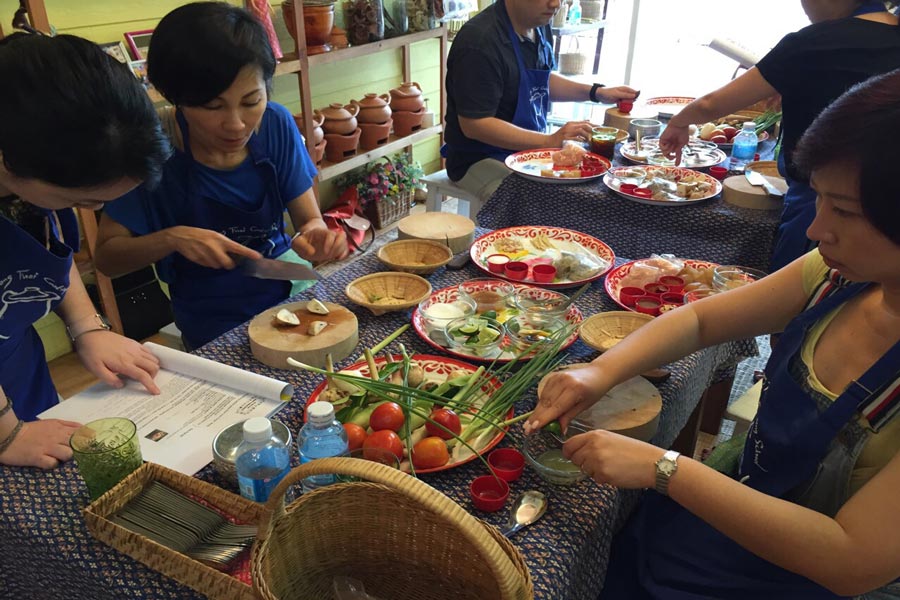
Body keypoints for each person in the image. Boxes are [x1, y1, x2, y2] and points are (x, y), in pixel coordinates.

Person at [528, 69, 900, 599]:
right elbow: (703, 319)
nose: (816, 230)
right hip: (747, 507)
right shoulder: (836, 275)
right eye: (818, 199)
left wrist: (665, 468)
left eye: (844, 211)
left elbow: (850, 559)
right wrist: (600, 370)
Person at [95, 2, 347, 351]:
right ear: (176, 97)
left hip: (281, 291)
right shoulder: (154, 145)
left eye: (251, 100)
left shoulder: (274, 124)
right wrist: (173, 239)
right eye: (213, 106)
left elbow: (310, 221)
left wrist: (318, 236)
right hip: (207, 317)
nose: (236, 124)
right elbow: (107, 258)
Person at [0, 32, 171, 469]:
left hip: (19, 375)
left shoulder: (39, 179)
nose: (94, 212)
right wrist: (7, 434)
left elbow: (48, 252)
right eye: (81, 201)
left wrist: (86, 327)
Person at [659, 0, 900, 273]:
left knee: (801, 290)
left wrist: (679, 122)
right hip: (889, 207)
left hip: (820, 198)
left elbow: (710, 105)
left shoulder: (814, 41)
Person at [442, 0, 638, 205]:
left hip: (527, 150)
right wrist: (548, 141)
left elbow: (540, 81)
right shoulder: (480, 42)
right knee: (540, 203)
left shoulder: (540, 24)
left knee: (591, 186)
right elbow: (475, 125)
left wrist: (596, 93)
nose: (555, 4)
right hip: (477, 157)